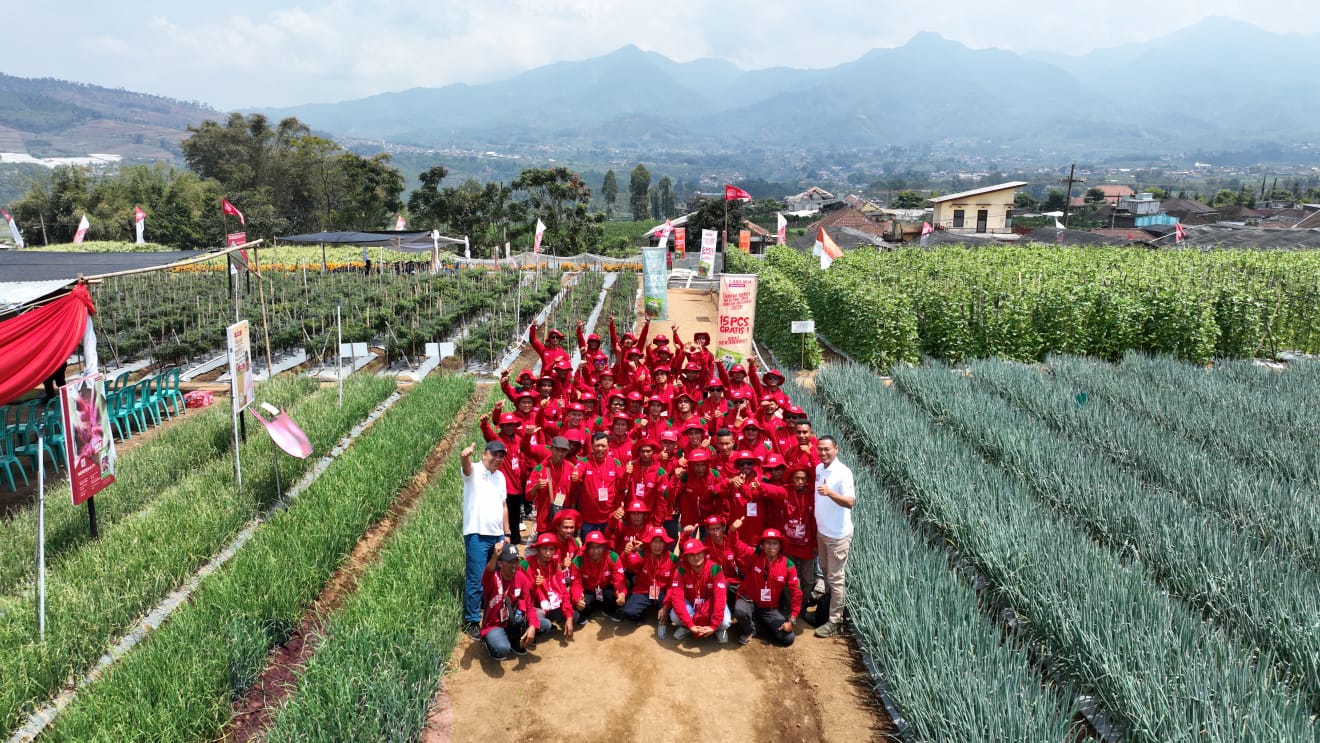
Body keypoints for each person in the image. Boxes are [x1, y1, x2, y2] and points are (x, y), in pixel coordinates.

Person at [462, 440, 510, 637]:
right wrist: (465, 456)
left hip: (497, 534)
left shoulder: (500, 477)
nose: (497, 459)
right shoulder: (474, 471)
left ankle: (490, 611)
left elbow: (504, 506)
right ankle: (472, 620)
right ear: (484, 454)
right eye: (494, 455)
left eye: (501, 456)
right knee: (476, 577)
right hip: (477, 534)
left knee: (495, 576)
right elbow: (466, 468)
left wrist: (506, 533)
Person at [812, 436, 855, 638]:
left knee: (836, 579)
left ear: (836, 449)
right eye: (820, 449)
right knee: (827, 572)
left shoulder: (843, 473)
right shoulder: (819, 469)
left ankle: (835, 621)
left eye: (827, 449)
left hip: (838, 536)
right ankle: (824, 612)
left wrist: (830, 493)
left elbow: (850, 502)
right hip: (823, 532)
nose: (823, 453)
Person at [734, 528, 803, 646]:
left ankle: (760, 622)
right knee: (740, 610)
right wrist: (733, 531)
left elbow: (797, 593)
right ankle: (750, 630)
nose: (771, 547)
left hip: (770, 608)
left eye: (775, 543)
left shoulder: (788, 565)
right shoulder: (754, 554)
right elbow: (737, 546)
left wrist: (792, 620)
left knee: (788, 638)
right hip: (750, 600)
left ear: (780, 546)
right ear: (762, 545)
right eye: (768, 543)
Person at [480, 540, 544, 660]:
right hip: (494, 625)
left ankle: (515, 639)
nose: (514, 565)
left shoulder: (521, 577)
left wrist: (532, 626)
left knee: (543, 624)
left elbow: (529, 605)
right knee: (502, 649)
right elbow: (488, 573)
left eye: (516, 561)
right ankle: (491, 642)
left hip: (513, 621)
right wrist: (494, 556)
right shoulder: (493, 579)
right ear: (500, 564)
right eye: (510, 562)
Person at [667, 538, 732, 643]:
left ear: (704, 553)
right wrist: (689, 624)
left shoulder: (715, 568)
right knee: (674, 616)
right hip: (691, 603)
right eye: (691, 555)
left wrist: (714, 625)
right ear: (686, 557)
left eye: (699, 553)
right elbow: (677, 599)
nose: (696, 557)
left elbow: (720, 598)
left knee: (725, 622)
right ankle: (687, 628)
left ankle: (718, 630)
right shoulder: (680, 570)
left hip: (710, 604)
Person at [572, 531, 627, 622]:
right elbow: (575, 583)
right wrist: (577, 598)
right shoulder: (578, 560)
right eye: (592, 547)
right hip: (587, 590)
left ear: (604, 547)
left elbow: (619, 578)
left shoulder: (613, 557)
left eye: (599, 547)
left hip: (606, 588)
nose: (596, 551)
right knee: (582, 606)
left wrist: (621, 593)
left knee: (614, 599)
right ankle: (590, 610)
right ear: (586, 548)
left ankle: (608, 610)